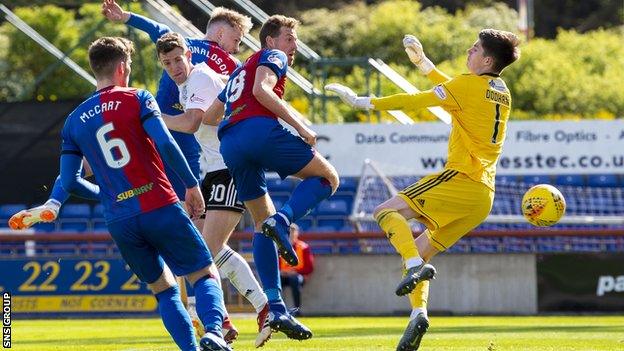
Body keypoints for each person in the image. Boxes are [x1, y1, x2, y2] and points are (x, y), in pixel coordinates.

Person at [326, 29, 520, 351]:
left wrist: (365, 102)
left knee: (384, 211)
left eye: (474, 49)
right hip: (483, 197)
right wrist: (426, 65)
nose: (468, 52)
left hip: (461, 178)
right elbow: (457, 91)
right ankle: (418, 313)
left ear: (486, 59)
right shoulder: (500, 90)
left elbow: (417, 100)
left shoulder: (466, 85)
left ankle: (415, 268)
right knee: (419, 246)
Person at [59, 36, 230, 351]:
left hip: (120, 220)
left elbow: (70, 182)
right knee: (205, 275)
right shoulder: (138, 98)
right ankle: (215, 334)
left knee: (164, 291)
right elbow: (165, 143)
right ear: (123, 67)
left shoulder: (73, 121)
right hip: (158, 204)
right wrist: (192, 185)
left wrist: (109, 196)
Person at [203, 15, 340, 341]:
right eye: (289, 39)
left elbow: (208, 116)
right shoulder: (272, 57)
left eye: (294, 41)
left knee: (262, 222)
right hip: (257, 132)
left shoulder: (240, 68)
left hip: (231, 145)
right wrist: (301, 125)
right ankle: (286, 217)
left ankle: (275, 307)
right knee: (329, 177)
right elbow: (262, 89)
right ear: (270, 41)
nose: (293, 47)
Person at [155, 31, 271, 347]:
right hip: (215, 170)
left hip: (231, 165)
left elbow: (192, 123)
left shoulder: (200, 79)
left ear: (189, 56)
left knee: (204, 252)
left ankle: (235, 316)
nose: (175, 66)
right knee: (205, 248)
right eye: (167, 63)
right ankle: (243, 313)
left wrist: (153, 119)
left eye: (178, 59)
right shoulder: (191, 83)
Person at [279, 224, 314, 315]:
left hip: (297, 276)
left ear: (297, 233)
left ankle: (297, 310)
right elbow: (276, 264)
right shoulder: (280, 248)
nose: (291, 234)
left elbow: (309, 268)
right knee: (276, 280)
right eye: (289, 232)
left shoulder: (304, 247)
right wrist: (281, 272)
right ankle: (278, 309)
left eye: (293, 232)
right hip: (283, 275)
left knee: (294, 280)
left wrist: (295, 272)